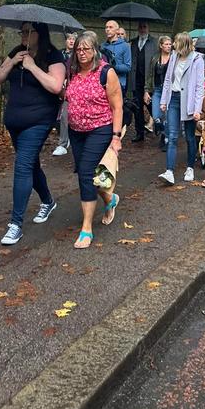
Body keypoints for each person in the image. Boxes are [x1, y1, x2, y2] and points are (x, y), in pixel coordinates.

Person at [0, 22, 65, 245]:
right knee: (31, 164)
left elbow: (56, 87)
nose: (23, 35)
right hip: (14, 120)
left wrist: (33, 66)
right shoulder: (16, 52)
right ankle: (48, 201)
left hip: (39, 120)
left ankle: (15, 225)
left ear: (38, 34)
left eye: (27, 32)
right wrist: (12, 63)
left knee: (23, 165)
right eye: (21, 32)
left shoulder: (53, 55)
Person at [64, 31, 123, 248]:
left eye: (86, 49)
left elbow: (117, 106)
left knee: (87, 173)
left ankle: (86, 228)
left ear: (95, 50)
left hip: (100, 129)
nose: (81, 53)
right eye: (78, 49)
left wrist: (116, 137)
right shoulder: (71, 72)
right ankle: (110, 198)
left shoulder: (106, 73)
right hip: (76, 131)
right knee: (85, 173)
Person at [158, 32, 204, 185]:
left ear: (183, 44)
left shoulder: (197, 60)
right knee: (171, 136)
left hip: (189, 101)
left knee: (190, 137)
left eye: (176, 42)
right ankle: (169, 170)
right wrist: (164, 100)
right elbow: (167, 80)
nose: (173, 45)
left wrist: (197, 108)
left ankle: (190, 167)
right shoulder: (173, 57)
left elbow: (199, 86)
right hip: (174, 99)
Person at [128, 20, 158, 143]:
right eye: (140, 27)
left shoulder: (154, 42)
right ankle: (139, 133)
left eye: (144, 27)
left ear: (148, 28)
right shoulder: (133, 42)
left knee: (152, 106)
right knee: (137, 108)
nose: (142, 29)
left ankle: (160, 129)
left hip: (149, 80)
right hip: (136, 80)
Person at [145, 36, 172, 151]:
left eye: (170, 44)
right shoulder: (155, 58)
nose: (168, 46)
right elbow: (150, 74)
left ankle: (166, 139)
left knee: (166, 116)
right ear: (161, 45)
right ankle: (161, 131)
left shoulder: (174, 58)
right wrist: (146, 90)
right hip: (157, 89)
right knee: (156, 115)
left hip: (169, 90)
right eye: (166, 44)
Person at [53, 31, 77, 157]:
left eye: (74, 39)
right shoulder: (60, 54)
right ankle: (63, 142)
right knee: (62, 116)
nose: (71, 41)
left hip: (75, 89)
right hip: (62, 87)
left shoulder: (78, 55)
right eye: (69, 39)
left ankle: (70, 140)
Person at [102, 20, 132, 92]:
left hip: (119, 83)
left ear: (117, 30)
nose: (108, 29)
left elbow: (128, 67)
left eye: (111, 27)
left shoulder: (125, 46)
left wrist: (113, 66)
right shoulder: (102, 46)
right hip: (104, 83)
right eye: (106, 27)